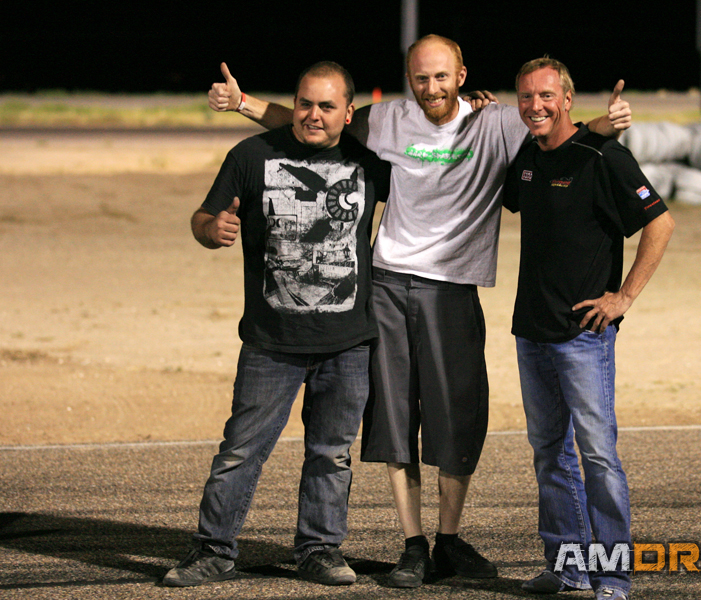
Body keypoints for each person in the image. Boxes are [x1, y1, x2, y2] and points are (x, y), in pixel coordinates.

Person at [207, 35, 632, 588]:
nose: (430, 88)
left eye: (440, 76)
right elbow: (317, 121)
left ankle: (449, 541)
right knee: (395, 423)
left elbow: (558, 130)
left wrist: (607, 125)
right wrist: (243, 103)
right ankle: (413, 545)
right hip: (387, 283)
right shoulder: (388, 119)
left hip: (454, 288)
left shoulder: (498, 122)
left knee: (457, 422)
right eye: (420, 77)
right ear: (409, 78)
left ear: (461, 76)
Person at [162, 62, 390, 588]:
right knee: (240, 451)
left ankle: (319, 550)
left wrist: (476, 109)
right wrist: (211, 229)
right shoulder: (251, 156)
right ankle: (213, 550)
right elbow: (202, 217)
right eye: (305, 103)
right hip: (270, 342)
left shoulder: (373, 162)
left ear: (348, 113)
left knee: (331, 455)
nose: (313, 115)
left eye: (327, 106)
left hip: (348, 343)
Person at [502, 58, 675, 600]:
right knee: (549, 452)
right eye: (526, 96)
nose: (535, 105)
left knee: (598, 456)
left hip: (583, 335)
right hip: (531, 330)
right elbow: (513, 192)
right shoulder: (529, 156)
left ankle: (613, 576)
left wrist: (623, 297)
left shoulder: (606, 157)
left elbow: (661, 223)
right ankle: (567, 566)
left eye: (546, 95)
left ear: (567, 99)